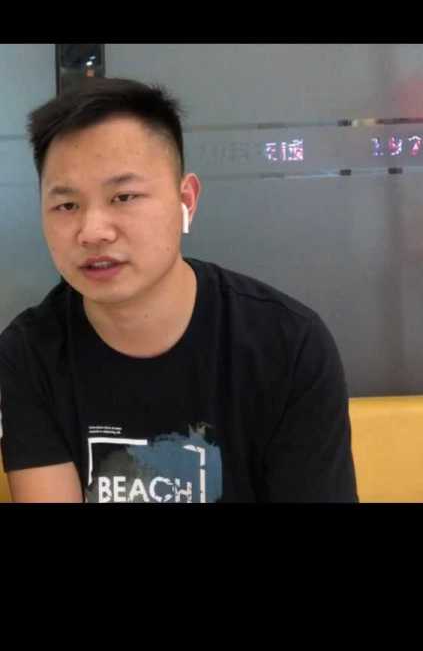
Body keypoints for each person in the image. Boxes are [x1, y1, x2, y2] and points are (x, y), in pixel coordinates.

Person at [0, 78, 358, 503]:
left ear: (186, 199)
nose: (92, 231)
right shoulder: (28, 356)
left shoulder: (287, 344)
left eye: (123, 196)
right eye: (66, 205)